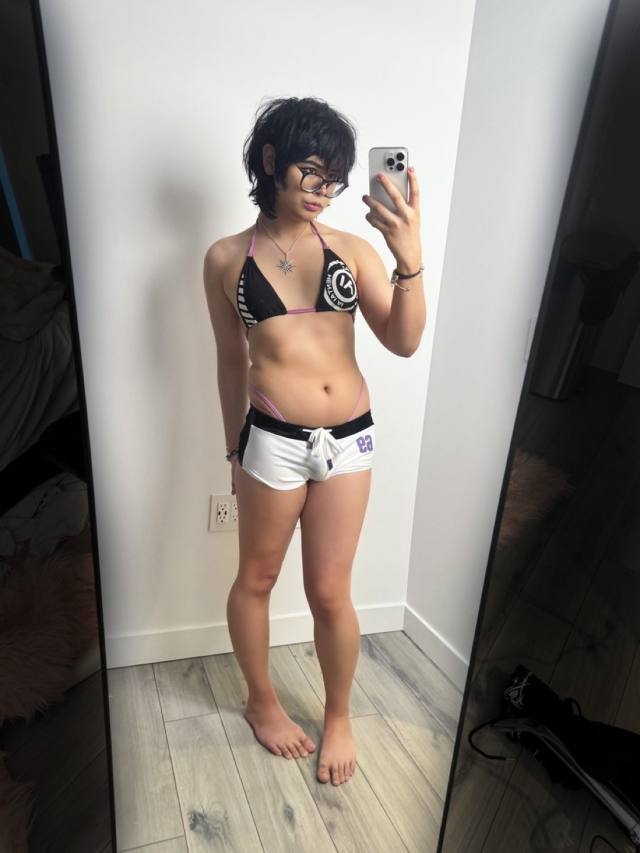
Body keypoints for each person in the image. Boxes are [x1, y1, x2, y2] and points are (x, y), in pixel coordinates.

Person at [203, 96, 425, 787]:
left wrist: (409, 259)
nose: (324, 192)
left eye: (335, 179)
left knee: (331, 592)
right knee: (257, 579)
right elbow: (230, 360)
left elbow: (404, 341)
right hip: (271, 437)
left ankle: (338, 714)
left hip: (350, 440)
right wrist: (234, 448)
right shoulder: (224, 258)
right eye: (312, 173)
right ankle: (261, 701)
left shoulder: (352, 249)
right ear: (271, 160)